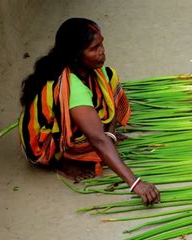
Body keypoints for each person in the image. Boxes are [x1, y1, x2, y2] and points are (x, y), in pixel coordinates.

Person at [18, 18, 160, 205]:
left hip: (73, 113)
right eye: (94, 49)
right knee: (100, 142)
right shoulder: (72, 88)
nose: (102, 51)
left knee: (109, 78)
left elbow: (109, 107)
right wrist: (136, 183)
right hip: (42, 143)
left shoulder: (91, 71)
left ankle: (97, 134)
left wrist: (109, 133)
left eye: (101, 44)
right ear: (75, 55)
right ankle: (62, 161)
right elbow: (98, 140)